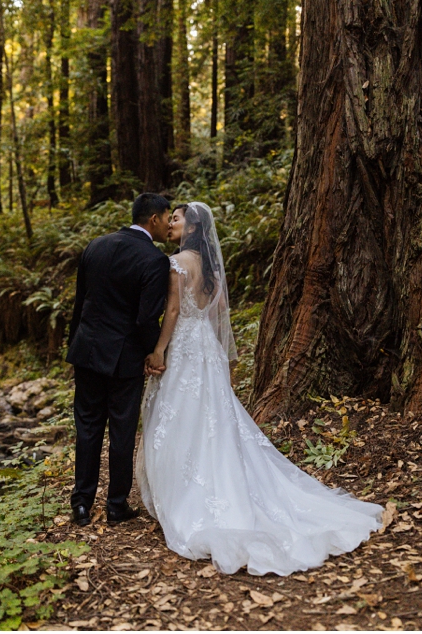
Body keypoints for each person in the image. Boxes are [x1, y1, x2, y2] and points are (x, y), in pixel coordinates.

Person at [136, 202, 383, 575]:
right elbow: (218, 316)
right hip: (206, 348)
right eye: (169, 217)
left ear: (193, 227)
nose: (171, 222)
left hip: (185, 346)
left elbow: (172, 312)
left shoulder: (177, 264)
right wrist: (223, 361)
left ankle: (186, 495)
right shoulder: (212, 269)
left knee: (181, 418)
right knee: (211, 419)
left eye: (177, 218)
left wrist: (158, 350)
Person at [65, 193, 172, 526]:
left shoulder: (96, 246)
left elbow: (80, 302)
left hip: (87, 351)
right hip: (124, 358)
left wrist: (74, 345)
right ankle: (115, 505)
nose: (169, 225)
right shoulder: (154, 260)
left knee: (87, 426)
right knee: (122, 430)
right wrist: (153, 352)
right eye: (167, 218)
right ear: (153, 219)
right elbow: (146, 318)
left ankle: (81, 504)